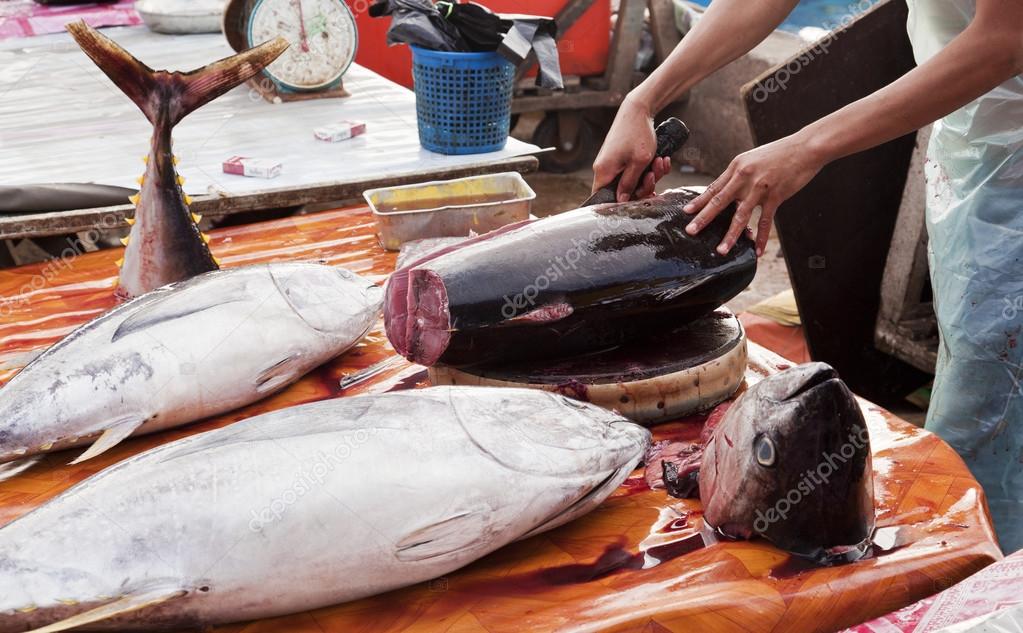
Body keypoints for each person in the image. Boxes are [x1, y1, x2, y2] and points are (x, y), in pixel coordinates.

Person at [592, 0, 1023, 552]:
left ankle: (986, 573)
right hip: (973, 151)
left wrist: (808, 147)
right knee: (978, 373)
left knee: (987, 418)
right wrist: (644, 99)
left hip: (1011, 164)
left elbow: (1004, 41)